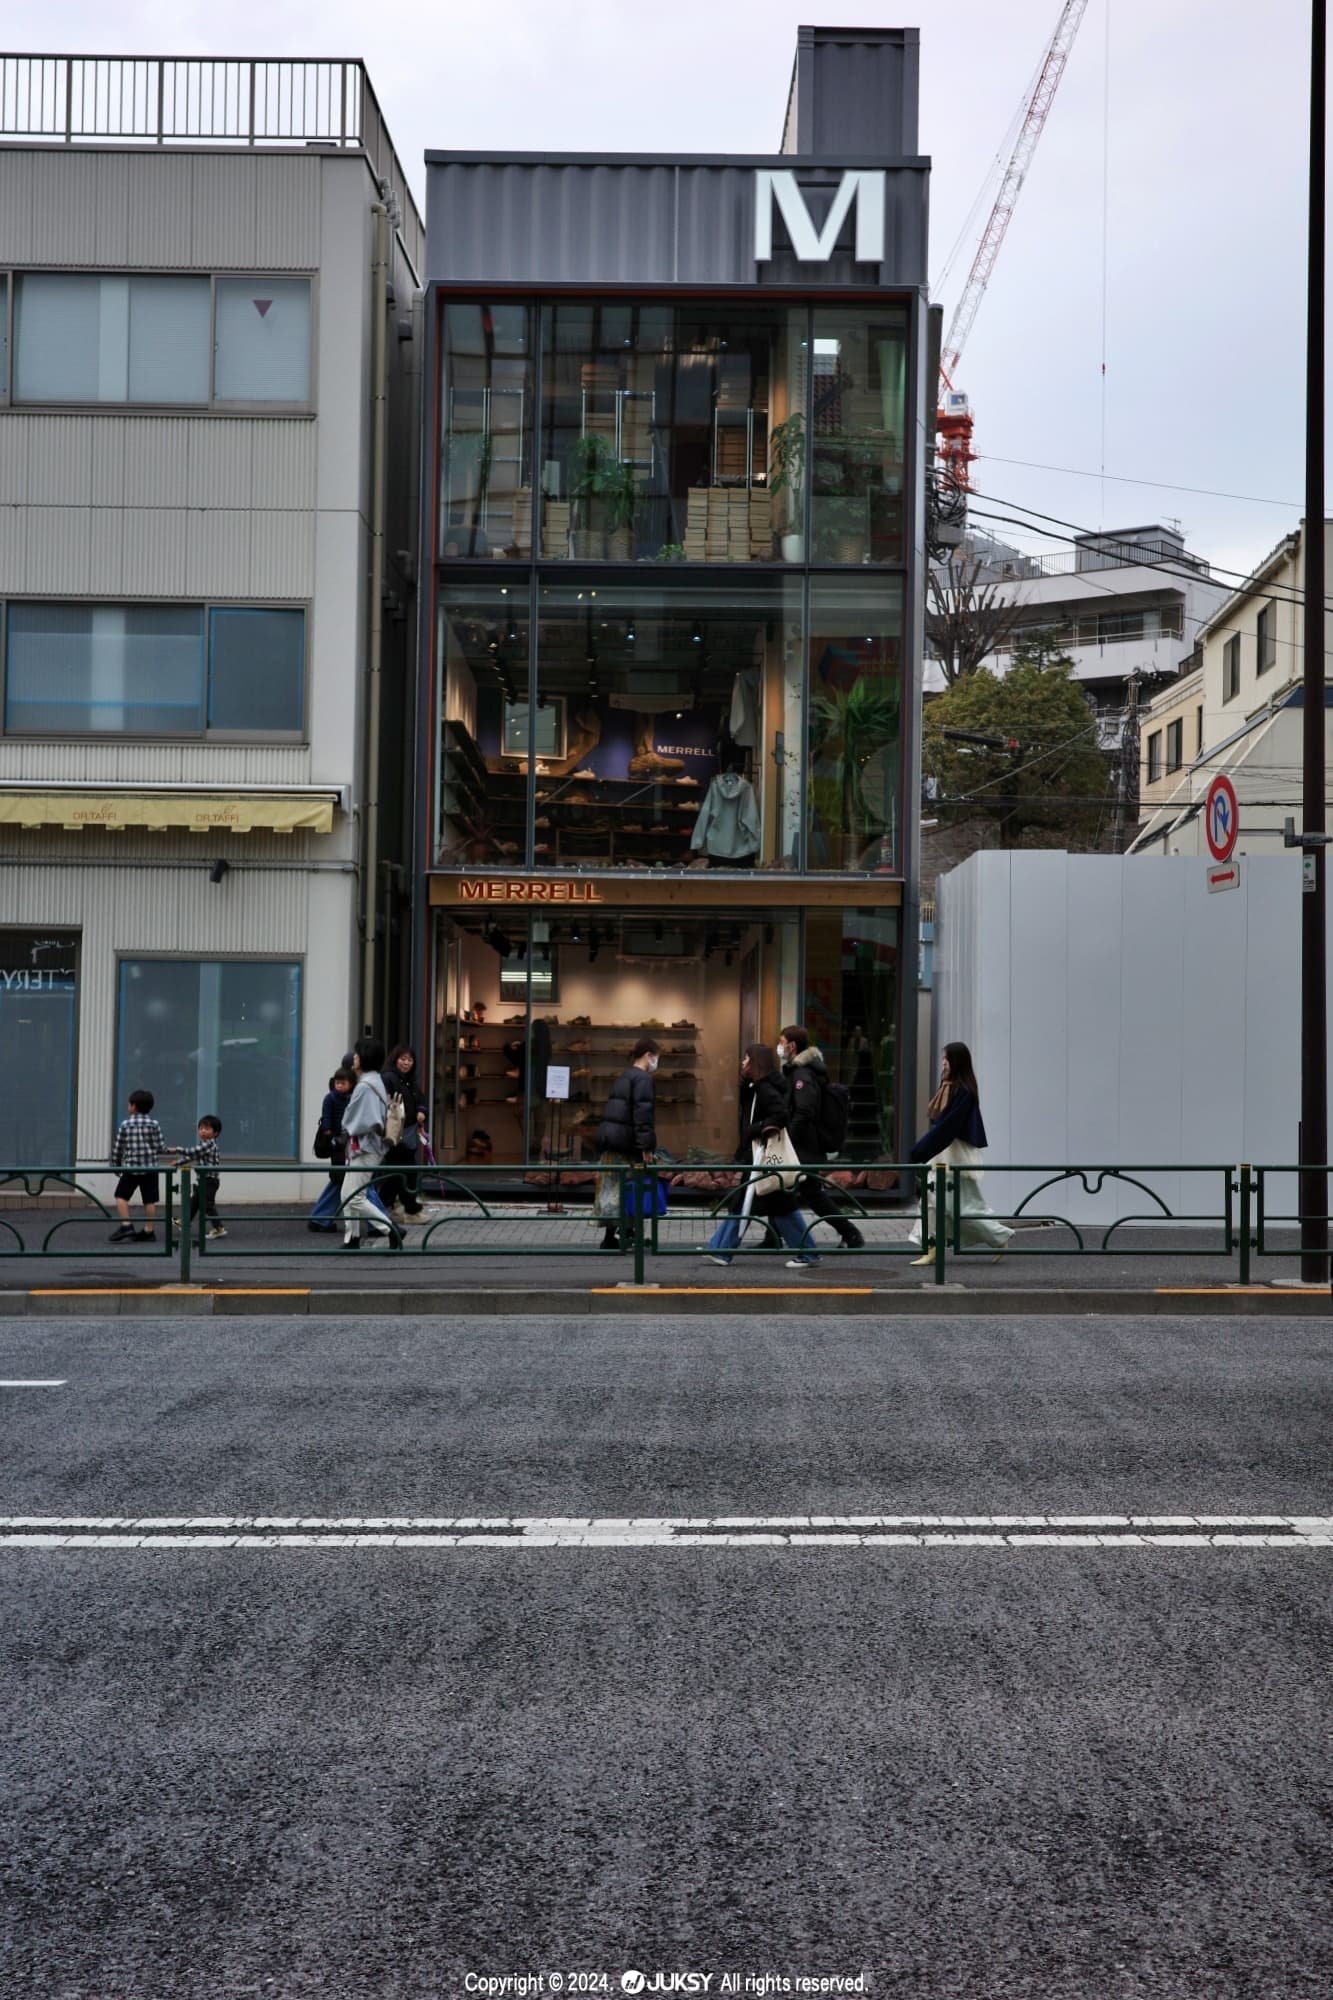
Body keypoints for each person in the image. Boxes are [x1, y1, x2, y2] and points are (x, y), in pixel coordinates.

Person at [701, 1044, 819, 1269]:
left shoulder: (764, 1089)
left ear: (755, 1062)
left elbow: (781, 1115)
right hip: (760, 1155)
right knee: (778, 1205)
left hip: (761, 1156)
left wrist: (756, 1129)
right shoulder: (758, 1086)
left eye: (746, 1060)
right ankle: (721, 1248)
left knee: (748, 1203)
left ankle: (721, 1249)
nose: (742, 1063)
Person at [907, 1041, 1014, 1264]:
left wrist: (920, 1150)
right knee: (931, 1201)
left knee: (961, 1207)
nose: (943, 1063)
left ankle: (998, 1237)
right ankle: (931, 1248)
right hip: (942, 1154)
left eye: (946, 1058)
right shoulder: (948, 1087)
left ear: (956, 1062)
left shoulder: (963, 1091)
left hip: (955, 1155)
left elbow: (948, 1127)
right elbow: (943, 1127)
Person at [778, 1025, 865, 1250]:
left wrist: (790, 1137)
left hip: (804, 1145)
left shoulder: (802, 1074)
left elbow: (805, 1109)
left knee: (810, 1193)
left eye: (781, 1042)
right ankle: (774, 1237)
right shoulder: (805, 1071)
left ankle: (851, 1234)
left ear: (792, 1045)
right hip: (806, 1144)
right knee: (784, 1190)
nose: (779, 1047)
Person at [593, 1036, 659, 1252]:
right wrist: (646, 1147)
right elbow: (643, 1115)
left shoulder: (624, 1076)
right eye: (657, 1057)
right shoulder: (643, 1079)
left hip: (611, 1140)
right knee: (631, 1190)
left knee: (612, 1190)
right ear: (649, 1056)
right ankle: (629, 1234)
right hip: (627, 1143)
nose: (657, 1062)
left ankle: (610, 1237)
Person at [339, 1037, 400, 1251]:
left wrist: (347, 1126)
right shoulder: (374, 1080)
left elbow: (366, 1120)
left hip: (365, 1147)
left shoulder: (365, 1085)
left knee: (354, 1197)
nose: (353, 1057)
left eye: (357, 1054)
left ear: (364, 1058)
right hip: (365, 1147)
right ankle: (352, 1237)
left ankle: (391, 1229)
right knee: (347, 1194)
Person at [378, 1044, 428, 1224]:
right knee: (407, 1171)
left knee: (396, 1173)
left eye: (409, 1060)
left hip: (407, 1132)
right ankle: (410, 1210)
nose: (406, 1063)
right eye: (403, 1059)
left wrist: (422, 1111)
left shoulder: (408, 1080)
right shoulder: (389, 1078)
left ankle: (386, 1207)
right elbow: (388, 1106)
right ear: (395, 1059)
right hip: (395, 1133)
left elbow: (420, 1099)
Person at [109, 1088, 168, 1243]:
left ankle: (126, 1225)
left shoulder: (126, 1124)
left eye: (129, 1104)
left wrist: (116, 1163)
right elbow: (160, 1147)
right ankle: (149, 1230)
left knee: (121, 1196)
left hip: (131, 1168)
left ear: (133, 1106)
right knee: (149, 1200)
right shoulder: (154, 1124)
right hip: (150, 1168)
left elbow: (118, 1147)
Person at [173, 1114, 225, 1239]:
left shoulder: (208, 1144)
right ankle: (184, 1222)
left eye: (207, 1128)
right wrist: (178, 1163)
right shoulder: (204, 1145)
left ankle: (218, 1228)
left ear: (215, 1133)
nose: (202, 1131)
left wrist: (176, 1149)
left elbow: (192, 1152)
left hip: (209, 1181)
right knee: (194, 1202)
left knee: (207, 1204)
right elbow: (193, 1156)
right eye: (201, 1128)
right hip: (204, 1180)